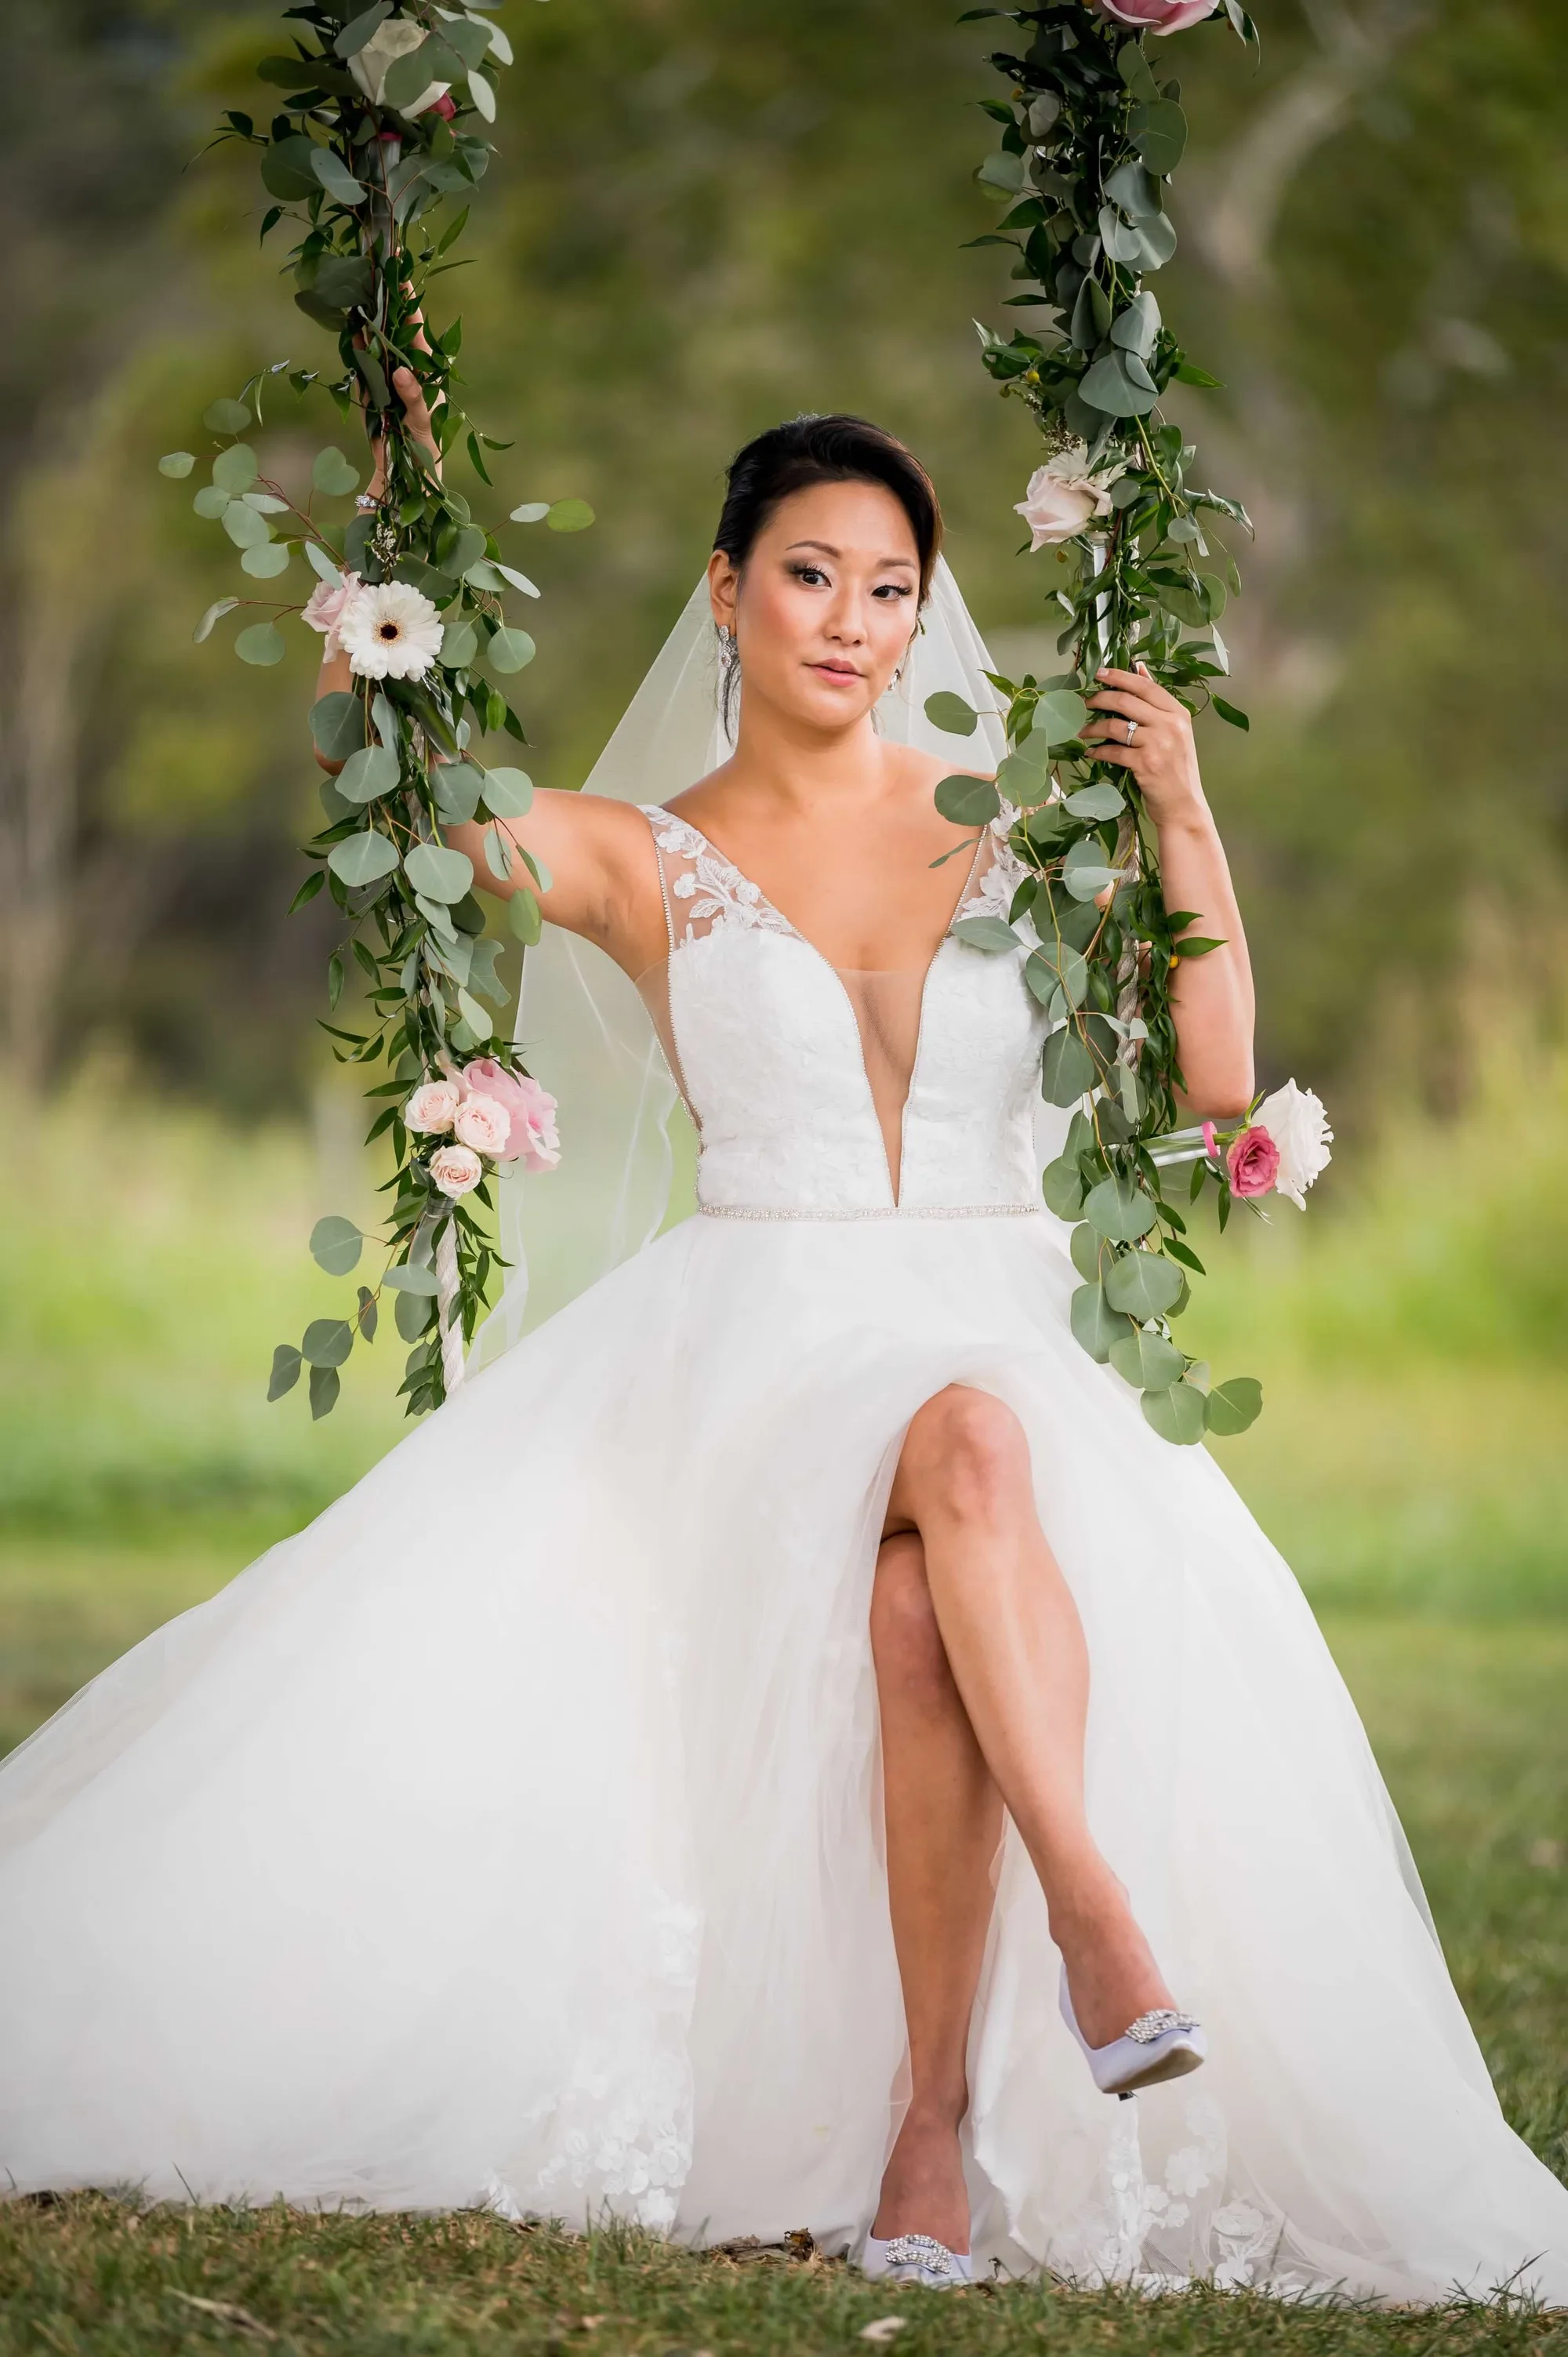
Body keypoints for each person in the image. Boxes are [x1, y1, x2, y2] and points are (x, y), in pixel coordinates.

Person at [1, 398, 1565, 2308]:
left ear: (925, 619)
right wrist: (382, 547)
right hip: (759, 1347)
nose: (850, 619)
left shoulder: (1015, 826)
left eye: (892, 588)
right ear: (724, 593)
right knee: (972, 1450)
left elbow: (1220, 1076)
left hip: (999, 1316)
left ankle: (927, 2132)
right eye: (810, 576)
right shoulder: (636, 854)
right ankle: (1095, 1922)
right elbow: (404, 815)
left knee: (939, 1570)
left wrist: (1176, 805)